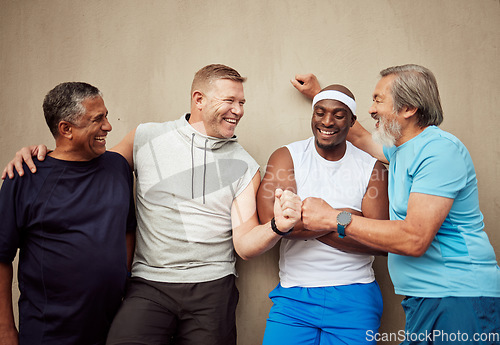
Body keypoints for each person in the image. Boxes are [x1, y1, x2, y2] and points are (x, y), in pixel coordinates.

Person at [2, 64, 302, 345]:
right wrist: (39, 155)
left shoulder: (244, 164)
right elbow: (84, 160)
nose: (238, 111)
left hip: (212, 285)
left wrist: (277, 226)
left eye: (242, 103)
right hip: (150, 284)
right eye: (230, 101)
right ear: (199, 99)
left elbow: (245, 244)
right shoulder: (145, 137)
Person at [292, 65, 500, 344]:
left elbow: (414, 238)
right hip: (425, 298)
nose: (371, 109)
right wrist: (323, 96)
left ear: (409, 108)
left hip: (458, 296)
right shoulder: (401, 149)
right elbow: (361, 136)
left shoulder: (438, 151)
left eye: (378, 99)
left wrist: (334, 218)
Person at [0, 82, 137, 345]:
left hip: (113, 329)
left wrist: (124, 278)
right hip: (50, 333)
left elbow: (127, 229)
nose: (108, 126)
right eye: (98, 119)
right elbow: (1, 256)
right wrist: (5, 330)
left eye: (106, 115)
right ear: (66, 129)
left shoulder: (117, 167)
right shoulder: (23, 177)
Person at [256, 83, 389, 345]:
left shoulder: (372, 168)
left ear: (352, 121)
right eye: (320, 112)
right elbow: (271, 223)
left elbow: (379, 241)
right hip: (294, 296)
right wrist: (346, 218)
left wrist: (312, 218)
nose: (327, 121)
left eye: (339, 115)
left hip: (355, 295)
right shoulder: (287, 157)